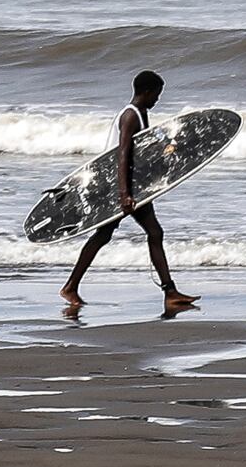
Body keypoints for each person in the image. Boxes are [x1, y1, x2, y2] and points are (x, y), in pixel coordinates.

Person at [65, 67, 197, 317]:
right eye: (157, 94)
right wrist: (124, 194)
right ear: (146, 92)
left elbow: (140, 154)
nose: (158, 98)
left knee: (143, 233)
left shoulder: (141, 114)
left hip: (130, 186)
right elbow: (122, 155)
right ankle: (71, 287)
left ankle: (170, 292)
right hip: (117, 187)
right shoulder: (130, 116)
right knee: (120, 234)